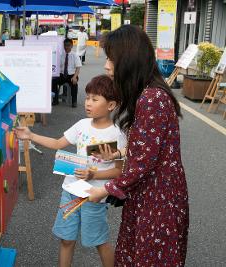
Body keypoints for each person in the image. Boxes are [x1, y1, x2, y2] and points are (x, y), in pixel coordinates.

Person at [85, 25, 189, 266]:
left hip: (157, 200)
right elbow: (147, 148)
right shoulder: (150, 94)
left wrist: (106, 189)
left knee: (146, 257)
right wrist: (120, 153)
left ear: (128, 60)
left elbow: (142, 162)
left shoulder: (151, 98)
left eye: (111, 58)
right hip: (152, 194)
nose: (106, 65)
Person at [16, 75, 127, 267]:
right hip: (71, 190)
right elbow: (58, 143)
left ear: (111, 105)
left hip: (95, 196)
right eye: (87, 98)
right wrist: (30, 135)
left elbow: (118, 172)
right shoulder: (82, 125)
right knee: (66, 239)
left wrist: (94, 175)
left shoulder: (117, 134)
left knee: (99, 241)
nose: (88, 103)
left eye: (95, 99)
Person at [52, 38, 81, 108]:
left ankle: (74, 101)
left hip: (71, 75)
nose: (66, 47)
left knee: (74, 84)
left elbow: (78, 67)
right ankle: (55, 100)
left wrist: (74, 77)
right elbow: (57, 65)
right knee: (53, 82)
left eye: (68, 45)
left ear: (71, 46)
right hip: (62, 75)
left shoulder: (75, 55)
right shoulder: (61, 54)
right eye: (65, 45)